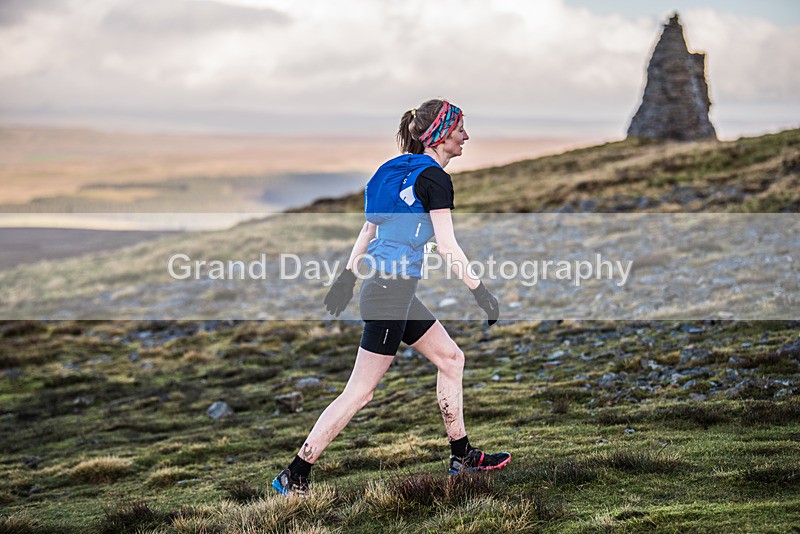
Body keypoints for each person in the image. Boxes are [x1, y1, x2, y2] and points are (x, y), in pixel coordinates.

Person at [272, 99, 509, 496]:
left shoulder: (393, 171)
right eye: (460, 128)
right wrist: (481, 292)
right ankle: (295, 474)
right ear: (440, 133)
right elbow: (448, 247)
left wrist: (346, 279)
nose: (466, 136)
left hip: (388, 291)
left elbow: (368, 232)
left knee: (451, 359)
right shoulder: (434, 179)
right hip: (388, 297)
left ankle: (462, 454)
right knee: (359, 392)